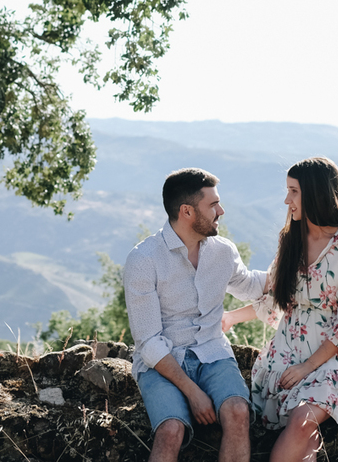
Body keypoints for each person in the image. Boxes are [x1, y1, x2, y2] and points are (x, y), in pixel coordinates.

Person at [222, 157, 338, 462]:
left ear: (315, 193)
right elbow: (278, 299)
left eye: (293, 191)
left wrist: (307, 368)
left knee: (301, 421)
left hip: (334, 357)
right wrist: (230, 318)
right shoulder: (291, 240)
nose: (286, 200)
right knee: (305, 435)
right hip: (286, 352)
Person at [123, 167, 269, 462]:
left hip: (213, 352)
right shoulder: (143, 259)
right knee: (171, 430)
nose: (221, 211)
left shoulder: (223, 252)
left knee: (239, 412)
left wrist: (302, 266)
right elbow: (149, 342)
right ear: (187, 211)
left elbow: (253, 285)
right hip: (162, 361)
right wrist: (192, 392)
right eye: (213, 205)